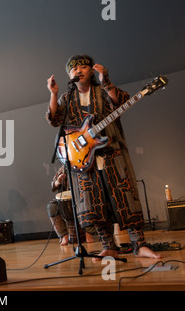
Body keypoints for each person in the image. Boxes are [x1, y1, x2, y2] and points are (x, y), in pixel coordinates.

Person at [46, 54, 162, 260]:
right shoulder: (67, 97)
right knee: (94, 203)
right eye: (74, 69)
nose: (78, 71)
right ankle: (108, 246)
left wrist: (106, 82)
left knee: (125, 197)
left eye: (83, 67)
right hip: (84, 161)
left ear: (92, 70)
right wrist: (53, 94)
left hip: (113, 155)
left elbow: (121, 102)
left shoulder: (102, 90)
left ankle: (140, 245)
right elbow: (55, 120)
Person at [47, 166, 94, 246]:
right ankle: (64, 235)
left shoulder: (85, 165)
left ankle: (89, 233)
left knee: (87, 204)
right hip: (67, 199)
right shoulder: (64, 168)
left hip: (83, 197)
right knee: (51, 207)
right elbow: (53, 185)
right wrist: (59, 181)